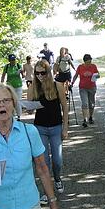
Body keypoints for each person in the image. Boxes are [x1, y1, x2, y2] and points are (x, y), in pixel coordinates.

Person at [29, 59, 69, 200]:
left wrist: (65, 127)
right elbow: (29, 109)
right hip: (40, 128)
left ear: (48, 72)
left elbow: (65, 106)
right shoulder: (33, 87)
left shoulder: (57, 85)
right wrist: (28, 106)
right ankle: (47, 191)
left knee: (57, 160)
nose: (40, 75)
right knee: (43, 161)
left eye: (43, 72)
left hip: (56, 127)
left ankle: (57, 178)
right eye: (37, 73)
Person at [72, 53, 99, 127]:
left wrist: (94, 75)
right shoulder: (80, 67)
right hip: (83, 88)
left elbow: (98, 75)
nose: (89, 63)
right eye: (87, 62)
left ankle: (90, 117)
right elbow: (76, 75)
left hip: (92, 87)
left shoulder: (93, 66)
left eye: (90, 61)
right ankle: (85, 119)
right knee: (85, 103)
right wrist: (72, 83)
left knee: (92, 104)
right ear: (84, 61)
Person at [1, 54, 24, 119]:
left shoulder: (18, 65)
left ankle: (19, 116)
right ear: (9, 60)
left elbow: (23, 75)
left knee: (18, 101)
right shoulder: (7, 66)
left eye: (14, 59)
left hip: (18, 86)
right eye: (12, 60)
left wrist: (21, 71)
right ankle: (13, 115)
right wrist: (1, 84)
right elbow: (3, 75)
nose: (13, 61)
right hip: (10, 86)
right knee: (11, 100)